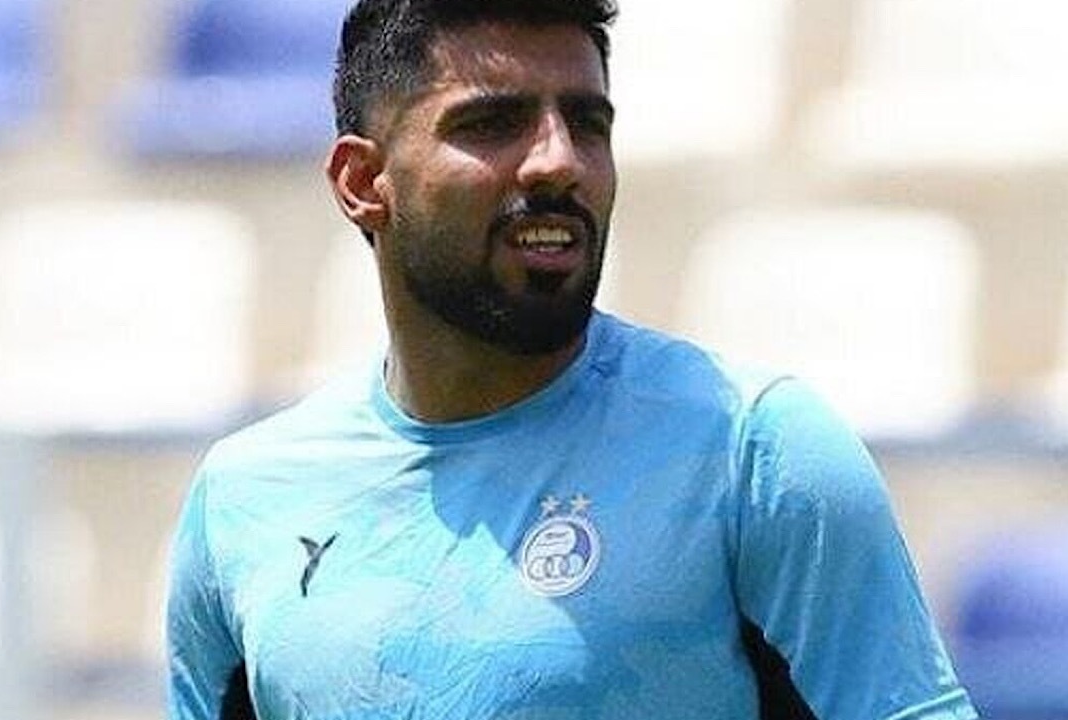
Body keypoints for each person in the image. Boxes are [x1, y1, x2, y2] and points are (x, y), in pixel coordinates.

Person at [166, 0, 980, 718]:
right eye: (494, 123)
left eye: (588, 123)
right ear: (363, 181)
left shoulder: (750, 449)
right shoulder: (246, 498)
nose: (559, 161)